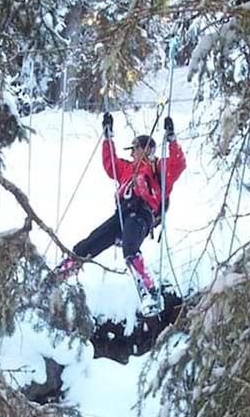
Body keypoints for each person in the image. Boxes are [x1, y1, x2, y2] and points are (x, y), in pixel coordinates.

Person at [57, 112, 186, 313]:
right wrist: (108, 136)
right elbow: (110, 164)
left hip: (142, 213)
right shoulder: (127, 168)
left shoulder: (157, 168)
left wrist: (172, 139)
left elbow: (178, 165)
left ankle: (149, 291)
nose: (133, 153)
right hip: (121, 214)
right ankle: (61, 272)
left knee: (130, 248)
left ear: (147, 149)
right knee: (92, 241)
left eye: (135, 148)